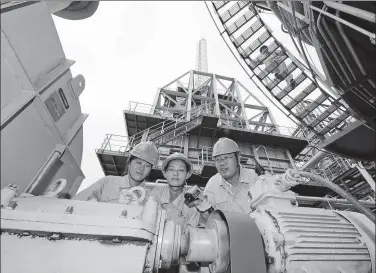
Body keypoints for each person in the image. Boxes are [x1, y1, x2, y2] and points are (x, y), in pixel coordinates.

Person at [190, 137, 258, 217]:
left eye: (226, 157)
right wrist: (203, 208)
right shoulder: (213, 184)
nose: (221, 163)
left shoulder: (255, 179)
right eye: (217, 159)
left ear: (238, 157)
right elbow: (210, 219)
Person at [73, 141, 159, 204]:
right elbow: (76, 202)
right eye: (138, 162)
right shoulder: (107, 182)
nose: (141, 168)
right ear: (129, 163)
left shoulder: (151, 197)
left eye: (147, 166)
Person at [150, 152, 200, 230]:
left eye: (180, 170)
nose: (176, 173)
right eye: (171, 169)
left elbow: (190, 236)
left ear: (187, 175)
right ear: (165, 173)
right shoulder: (154, 195)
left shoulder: (193, 204)